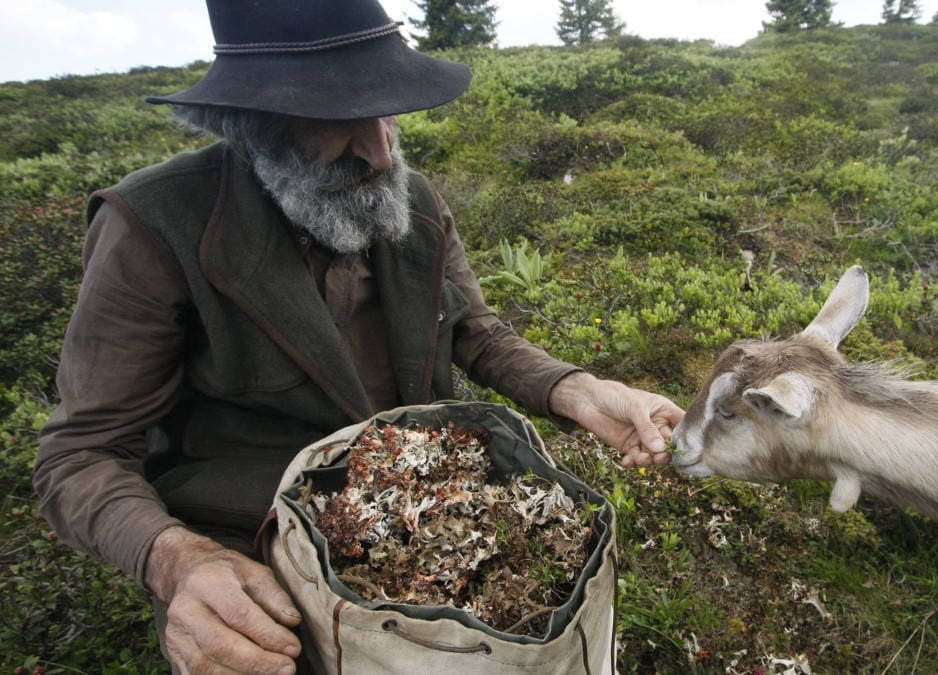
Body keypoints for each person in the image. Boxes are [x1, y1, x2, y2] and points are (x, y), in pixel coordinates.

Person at [32, 1, 683, 672]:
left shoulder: (413, 201)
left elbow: (475, 331)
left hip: (432, 514)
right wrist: (177, 562)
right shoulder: (156, 226)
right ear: (256, 123)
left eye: (386, 111)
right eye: (340, 121)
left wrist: (577, 391)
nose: (380, 150)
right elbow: (81, 455)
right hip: (264, 564)